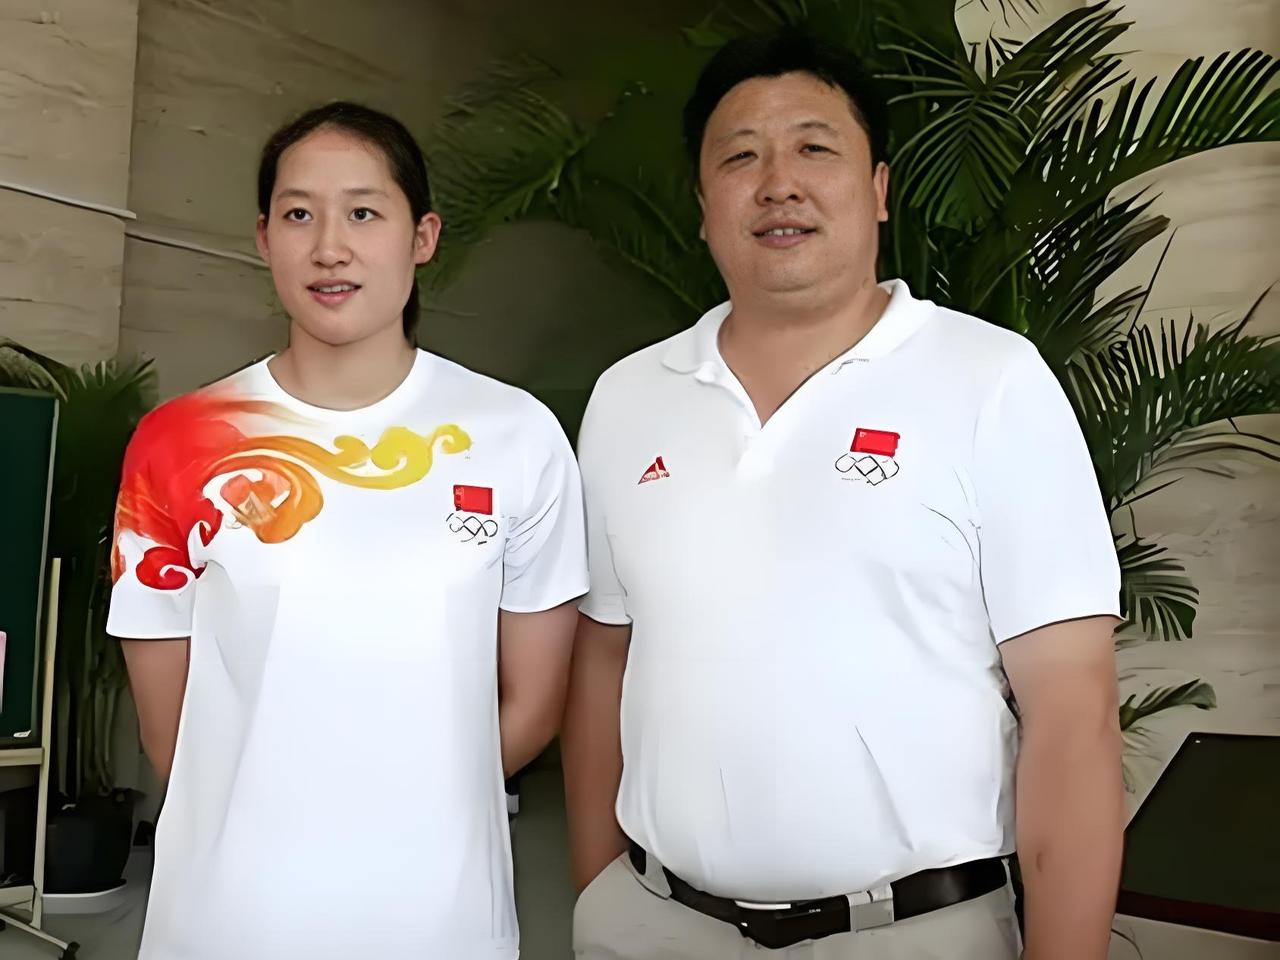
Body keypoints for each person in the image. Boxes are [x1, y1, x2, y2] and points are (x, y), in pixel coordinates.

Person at [563, 30, 1124, 960]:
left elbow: (1072, 710)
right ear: (703, 207)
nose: (778, 182)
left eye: (814, 147)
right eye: (740, 157)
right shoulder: (628, 397)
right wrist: (600, 896)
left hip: (910, 933)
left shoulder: (990, 380)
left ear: (877, 189)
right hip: (654, 924)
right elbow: (603, 660)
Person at [109, 102, 586, 959]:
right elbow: (169, 730)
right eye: (299, 214)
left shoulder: (515, 435)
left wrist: (404, 810)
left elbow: (533, 705)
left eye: (364, 212)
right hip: (231, 921)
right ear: (264, 238)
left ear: (423, 237)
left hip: (441, 919)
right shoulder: (179, 442)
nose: (330, 246)